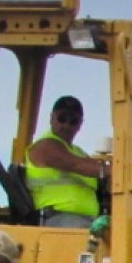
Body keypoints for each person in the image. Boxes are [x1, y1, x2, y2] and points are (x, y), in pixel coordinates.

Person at [25, 95, 109, 227]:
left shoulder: (79, 152)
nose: (66, 125)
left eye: (73, 121)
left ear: (80, 125)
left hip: (87, 220)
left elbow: (97, 172)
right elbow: (75, 164)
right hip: (58, 217)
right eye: (62, 118)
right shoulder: (45, 146)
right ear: (52, 118)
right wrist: (116, 170)